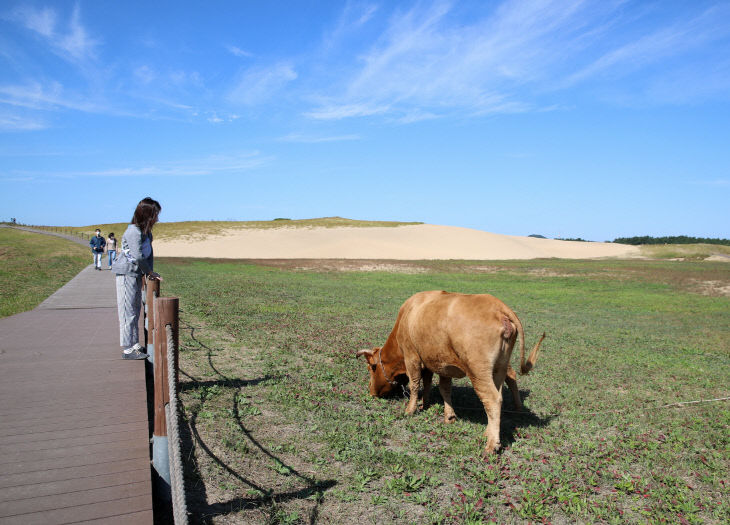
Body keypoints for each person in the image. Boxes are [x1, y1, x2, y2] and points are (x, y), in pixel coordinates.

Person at [112, 197, 163, 360]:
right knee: (127, 311)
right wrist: (149, 272)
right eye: (155, 214)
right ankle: (127, 348)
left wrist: (149, 271)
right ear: (147, 215)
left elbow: (149, 255)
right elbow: (138, 256)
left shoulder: (146, 232)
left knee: (135, 310)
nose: (157, 218)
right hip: (127, 273)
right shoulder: (133, 231)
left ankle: (134, 344)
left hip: (135, 274)